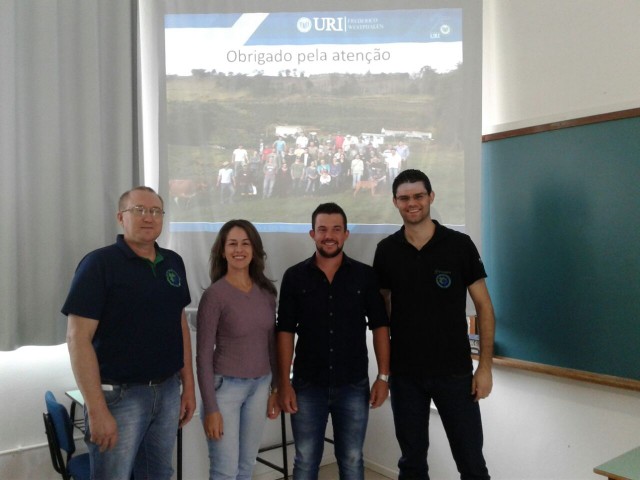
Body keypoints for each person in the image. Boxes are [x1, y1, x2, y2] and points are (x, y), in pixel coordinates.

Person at [62, 186, 196, 480]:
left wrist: (189, 385)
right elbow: (77, 339)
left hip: (168, 390)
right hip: (119, 398)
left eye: (155, 211)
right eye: (139, 210)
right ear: (121, 217)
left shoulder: (173, 262)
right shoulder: (99, 264)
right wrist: (96, 410)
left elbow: (179, 325)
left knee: (158, 474)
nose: (148, 217)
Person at [372, 169, 495, 480]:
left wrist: (484, 368)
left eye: (418, 196)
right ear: (395, 202)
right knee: (411, 465)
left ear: (431, 197)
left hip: (455, 373)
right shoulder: (386, 250)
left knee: (472, 464)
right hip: (406, 376)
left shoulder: (459, 245)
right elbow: (381, 314)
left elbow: (484, 307)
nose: (412, 203)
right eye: (404, 198)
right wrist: (384, 372)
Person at [277, 202, 391, 480]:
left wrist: (383, 377)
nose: (329, 235)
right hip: (307, 385)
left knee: (352, 459)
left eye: (336, 229)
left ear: (346, 234)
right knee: (305, 460)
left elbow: (380, 326)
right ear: (312, 234)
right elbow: (285, 332)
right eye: (322, 229)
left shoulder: (365, 276)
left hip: (353, 385)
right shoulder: (294, 277)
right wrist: (283, 383)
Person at [197, 219, 280, 480]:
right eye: (232, 244)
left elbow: (271, 344)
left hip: (260, 386)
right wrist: (211, 408)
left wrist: (275, 388)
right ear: (222, 251)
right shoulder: (214, 295)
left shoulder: (266, 293)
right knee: (225, 471)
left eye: (245, 243)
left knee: (245, 468)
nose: (239, 250)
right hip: (225, 391)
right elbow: (203, 356)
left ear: (254, 249)